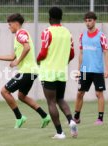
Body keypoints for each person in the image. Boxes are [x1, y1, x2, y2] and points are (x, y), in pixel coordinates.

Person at [0, 13, 51, 129]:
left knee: (4, 91)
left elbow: (27, 47)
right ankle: (45, 116)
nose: (9, 26)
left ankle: (19, 117)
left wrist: (18, 61)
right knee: (21, 96)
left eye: (10, 24)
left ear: (16, 23)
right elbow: (12, 56)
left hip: (27, 72)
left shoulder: (21, 33)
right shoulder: (19, 35)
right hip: (32, 72)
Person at [37, 7, 78, 139]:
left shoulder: (47, 32)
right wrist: (63, 62)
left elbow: (43, 52)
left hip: (48, 72)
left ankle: (60, 132)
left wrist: (38, 60)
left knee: (51, 102)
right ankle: (71, 120)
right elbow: (72, 54)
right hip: (62, 72)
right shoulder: (67, 32)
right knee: (60, 98)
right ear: (61, 18)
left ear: (49, 18)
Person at [74, 12, 108, 125]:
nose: (88, 23)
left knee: (99, 94)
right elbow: (81, 53)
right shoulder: (82, 36)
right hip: (84, 70)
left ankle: (100, 119)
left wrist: (107, 70)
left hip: (97, 70)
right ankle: (76, 117)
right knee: (80, 93)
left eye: (90, 20)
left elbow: (106, 52)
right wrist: (78, 70)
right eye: (86, 20)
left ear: (94, 21)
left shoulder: (101, 36)